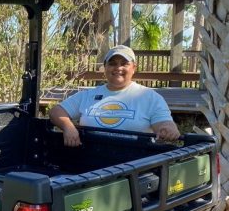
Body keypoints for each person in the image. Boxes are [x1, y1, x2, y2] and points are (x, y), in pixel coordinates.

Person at [50, 45, 180, 147]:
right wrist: (69, 127)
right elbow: (57, 111)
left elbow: (164, 123)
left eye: (124, 63)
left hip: (134, 163)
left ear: (134, 68)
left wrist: (168, 129)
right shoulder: (89, 95)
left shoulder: (150, 97)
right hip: (90, 160)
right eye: (112, 63)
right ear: (105, 67)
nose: (118, 68)